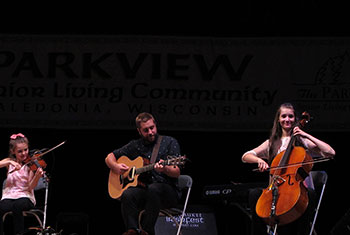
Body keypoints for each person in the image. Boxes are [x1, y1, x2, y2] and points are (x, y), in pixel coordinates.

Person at [241, 103, 335, 235]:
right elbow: (245, 156)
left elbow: (330, 152)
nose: (287, 119)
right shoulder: (271, 143)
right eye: (283, 116)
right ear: (278, 119)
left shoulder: (302, 141)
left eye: (290, 116)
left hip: (295, 190)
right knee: (254, 194)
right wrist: (259, 160)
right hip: (274, 189)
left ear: (295, 119)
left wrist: (305, 135)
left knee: (310, 195)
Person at [105, 112, 182, 235]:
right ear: (139, 131)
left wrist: (165, 169)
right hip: (146, 191)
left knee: (154, 188)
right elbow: (109, 157)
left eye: (152, 128)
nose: (151, 132)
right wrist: (115, 166)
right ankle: (133, 230)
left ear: (155, 125)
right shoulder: (135, 145)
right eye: (146, 130)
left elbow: (176, 172)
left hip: (167, 193)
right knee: (128, 194)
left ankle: (146, 231)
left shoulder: (169, 142)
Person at [0, 133, 44, 235]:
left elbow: (30, 187)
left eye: (26, 150)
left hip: (25, 196)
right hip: (9, 196)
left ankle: (19, 233)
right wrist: (10, 163)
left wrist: (37, 176)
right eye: (20, 151)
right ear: (13, 151)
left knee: (17, 205)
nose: (24, 153)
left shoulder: (30, 165)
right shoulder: (10, 162)